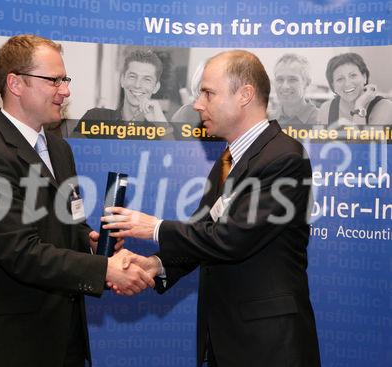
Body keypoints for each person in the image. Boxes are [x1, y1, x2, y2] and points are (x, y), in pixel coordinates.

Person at [103, 50, 321, 366]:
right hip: (224, 341)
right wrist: (156, 265)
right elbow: (205, 231)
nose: (197, 104)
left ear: (245, 94)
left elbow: (232, 238)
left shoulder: (284, 157)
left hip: (268, 347)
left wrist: (153, 228)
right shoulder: (228, 160)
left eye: (208, 92)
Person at [0, 34, 154, 367]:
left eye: (66, 80)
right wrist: (104, 268)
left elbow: (69, 223)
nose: (65, 90)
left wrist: (93, 244)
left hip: (66, 338)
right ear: (16, 83)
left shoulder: (58, 148)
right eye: (54, 80)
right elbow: (21, 253)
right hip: (13, 345)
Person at [318, 52, 392, 125]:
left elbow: (361, 137)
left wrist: (359, 105)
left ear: (364, 77)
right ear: (333, 86)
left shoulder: (385, 107)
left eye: (353, 75)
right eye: (340, 79)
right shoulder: (326, 109)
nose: (347, 83)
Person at [270, 53, 319, 126]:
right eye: (280, 79)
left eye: (292, 79)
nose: (285, 86)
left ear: (307, 83)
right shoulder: (268, 120)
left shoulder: (323, 120)